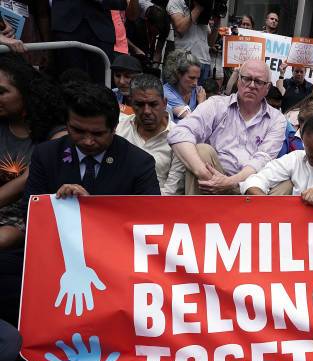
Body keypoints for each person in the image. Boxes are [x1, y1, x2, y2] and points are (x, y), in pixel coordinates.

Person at [24, 81, 161, 199]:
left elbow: (148, 220)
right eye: (78, 131)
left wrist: (91, 208)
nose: (88, 141)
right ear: (67, 124)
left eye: (98, 133)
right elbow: (31, 212)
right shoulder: (46, 155)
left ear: (114, 128)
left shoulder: (139, 163)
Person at [168, 60, 286, 195]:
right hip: (211, 178)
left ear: (267, 88)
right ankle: (197, 213)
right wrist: (202, 171)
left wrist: (230, 183)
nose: (252, 85)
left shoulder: (277, 119)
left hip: (252, 186)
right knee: (202, 151)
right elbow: (179, 132)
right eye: (247, 79)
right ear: (238, 81)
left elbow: (263, 159)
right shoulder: (216, 105)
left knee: (288, 180)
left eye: (259, 82)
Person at [0, 55, 67, 249]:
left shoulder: (56, 133)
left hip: (26, 215)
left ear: (26, 93)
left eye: (2, 92)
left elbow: (25, 181)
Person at [115, 74, 185, 195]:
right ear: (131, 103)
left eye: (153, 104)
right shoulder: (119, 129)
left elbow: (172, 191)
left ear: (164, 103)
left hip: (159, 207)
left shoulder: (179, 138)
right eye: (140, 105)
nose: (146, 111)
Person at [51, 0, 124, 84]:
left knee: (101, 85)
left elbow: (121, 3)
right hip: (66, 28)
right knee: (70, 83)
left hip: (101, 32)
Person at [166, 0, 219, 83]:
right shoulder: (176, 2)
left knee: (199, 95)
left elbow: (211, 43)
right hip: (186, 61)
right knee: (183, 95)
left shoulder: (203, 12)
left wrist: (217, 22)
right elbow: (180, 29)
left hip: (204, 62)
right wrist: (198, 7)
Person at [162, 49, 206, 123]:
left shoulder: (197, 92)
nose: (195, 83)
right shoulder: (166, 92)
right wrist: (202, 103)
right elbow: (192, 121)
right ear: (178, 74)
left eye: (197, 78)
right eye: (191, 78)